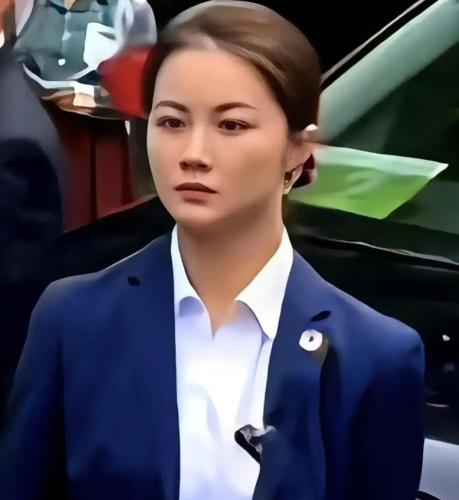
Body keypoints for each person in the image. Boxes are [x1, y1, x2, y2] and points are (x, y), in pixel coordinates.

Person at [0, 2, 425, 499]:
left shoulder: (374, 357)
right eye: (172, 122)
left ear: (298, 149)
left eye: (231, 126)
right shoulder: (74, 319)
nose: (194, 154)